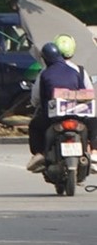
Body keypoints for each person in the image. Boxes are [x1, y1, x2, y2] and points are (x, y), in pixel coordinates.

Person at [26, 35, 95, 172]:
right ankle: (94, 152)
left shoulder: (45, 73)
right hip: (79, 113)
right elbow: (86, 92)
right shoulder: (77, 71)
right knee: (94, 123)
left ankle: (40, 154)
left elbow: (38, 98)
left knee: (34, 126)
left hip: (53, 115)